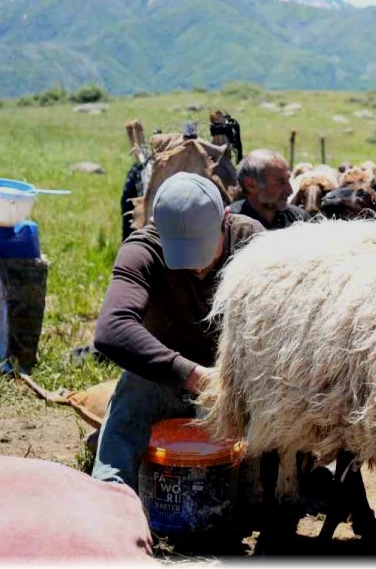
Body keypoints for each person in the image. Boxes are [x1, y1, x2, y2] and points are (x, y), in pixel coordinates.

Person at [91, 172, 262, 493]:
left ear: (224, 218)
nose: (196, 267)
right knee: (135, 383)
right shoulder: (143, 249)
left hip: (236, 387)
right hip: (164, 381)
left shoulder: (252, 242)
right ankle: (111, 496)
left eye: (204, 249)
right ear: (157, 224)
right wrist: (191, 374)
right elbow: (112, 329)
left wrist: (230, 380)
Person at [229, 149, 305, 230]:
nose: (290, 191)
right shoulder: (230, 225)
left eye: (288, 180)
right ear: (250, 185)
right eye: (280, 182)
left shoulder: (299, 220)